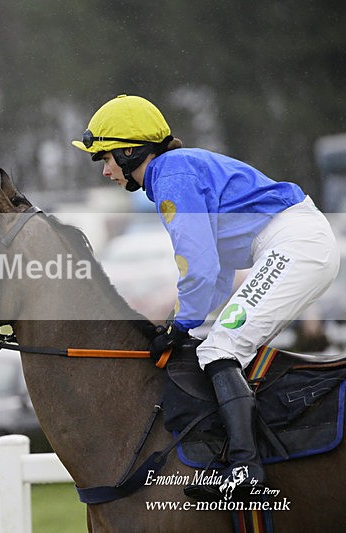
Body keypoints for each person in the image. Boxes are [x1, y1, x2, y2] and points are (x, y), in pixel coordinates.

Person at [73, 94, 340, 501]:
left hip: (297, 245)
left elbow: (196, 266)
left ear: (130, 152)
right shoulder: (175, 172)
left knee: (221, 348)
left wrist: (179, 324)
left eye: (106, 158)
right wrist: (183, 324)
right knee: (214, 344)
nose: (106, 171)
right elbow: (215, 270)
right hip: (298, 243)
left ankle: (245, 469)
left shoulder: (171, 177)